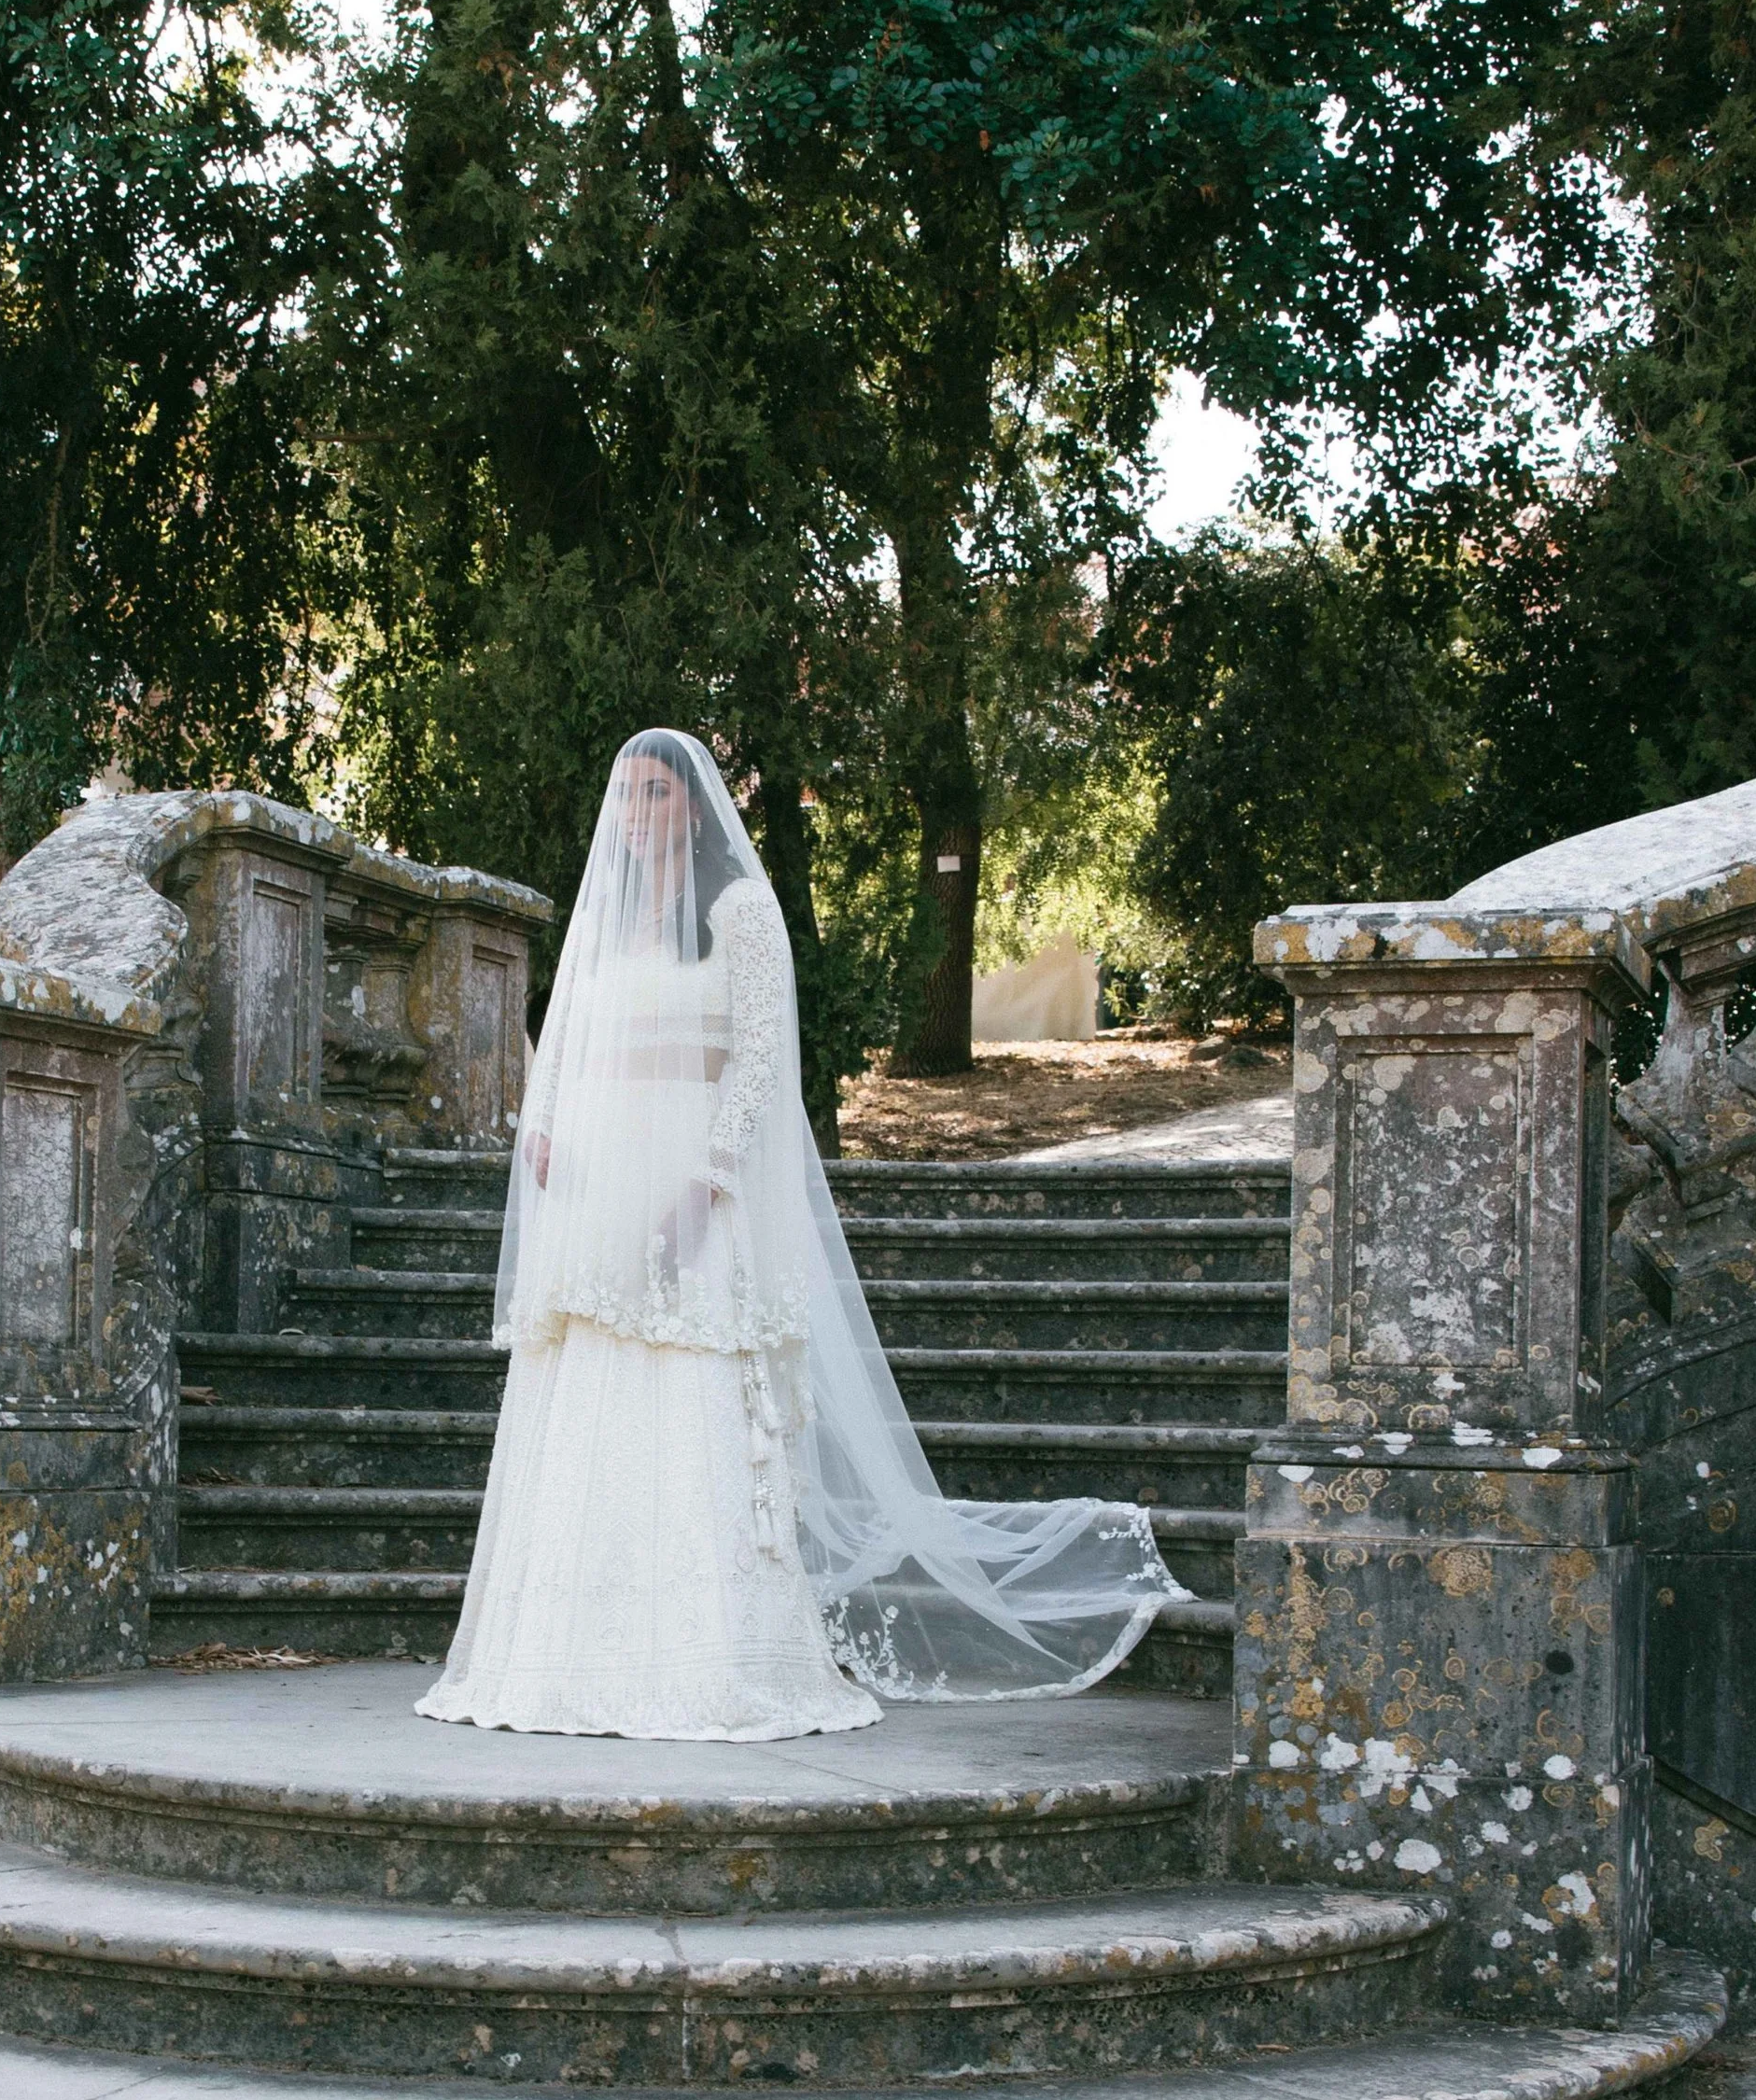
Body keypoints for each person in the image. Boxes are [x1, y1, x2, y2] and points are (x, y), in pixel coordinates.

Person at [416, 729, 1182, 1743]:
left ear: (691, 808)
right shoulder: (601, 923)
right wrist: (544, 1126)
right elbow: (561, 1042)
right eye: (627, 797)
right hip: (595, 1183)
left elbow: (761, 1060)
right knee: (588, 1386)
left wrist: (707, 1183)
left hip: (689, 1171)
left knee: (690, 1386)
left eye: (655, 796)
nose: (638, 815)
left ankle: (713, 1656)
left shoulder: (739, 910)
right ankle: (559, 1652)